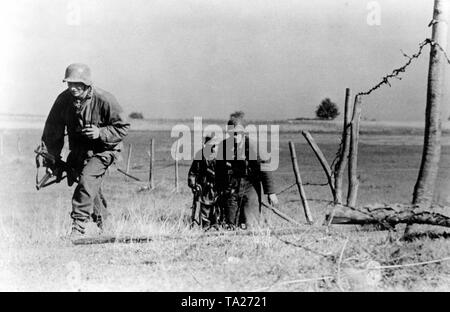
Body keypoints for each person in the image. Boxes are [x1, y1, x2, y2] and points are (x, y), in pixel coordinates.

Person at [41, 63, 130, 237]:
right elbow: (53, 130)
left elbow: (123, 127)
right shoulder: (63, 100)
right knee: (89, 185)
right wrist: (51, 158)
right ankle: (105, 224)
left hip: (106, 150)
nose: (72, 88)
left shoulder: (104, 99)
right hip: (80, 152)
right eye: (69, 84)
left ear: (87, 84)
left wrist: (101, 132)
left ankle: (78, 226)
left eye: (77, 84)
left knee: (87, 179)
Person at [215, 114, 278, 229]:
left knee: (251, 222)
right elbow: (219, 170)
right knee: (230, 223)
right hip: (232, 184)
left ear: (243, 133)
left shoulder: (253, 146)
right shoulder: (223, 147)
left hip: (250, 184)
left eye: (237, 133)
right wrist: (219, 188)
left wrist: (271, 192)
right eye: (231, 133)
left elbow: (265, 168)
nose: (234, 136)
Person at [187, 135, 220, 229]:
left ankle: (216, 225)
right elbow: (193, 172)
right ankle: (206, 227)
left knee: (217, 207)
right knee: (205, 207)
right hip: (204, 186)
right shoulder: (200, 155)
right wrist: (193, 185)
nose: (213, 147)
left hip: (216, 186)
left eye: (214, 145)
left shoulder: (219, 155)